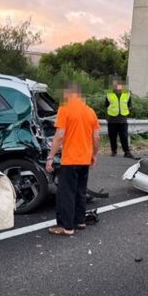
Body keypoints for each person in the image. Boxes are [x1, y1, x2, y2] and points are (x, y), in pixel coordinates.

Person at [46, 82, 100, 236]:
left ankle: (66, 227)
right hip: (84, 159)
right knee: (80, 191)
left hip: (70, 160)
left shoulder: (65, 109)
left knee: (66, 193)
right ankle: (79, 221)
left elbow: (60, 136)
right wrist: (94, 155)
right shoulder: (90, 112)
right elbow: (96, 138)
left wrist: (50, 156)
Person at [104, 78, 134, 158]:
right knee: (112, 136)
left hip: (123, 119)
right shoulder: (109, 94)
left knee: (124, 136)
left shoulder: (127, 94)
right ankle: (114, 151)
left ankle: (127, 152)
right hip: (112, 119)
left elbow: (129, 105)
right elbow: (106, 105)